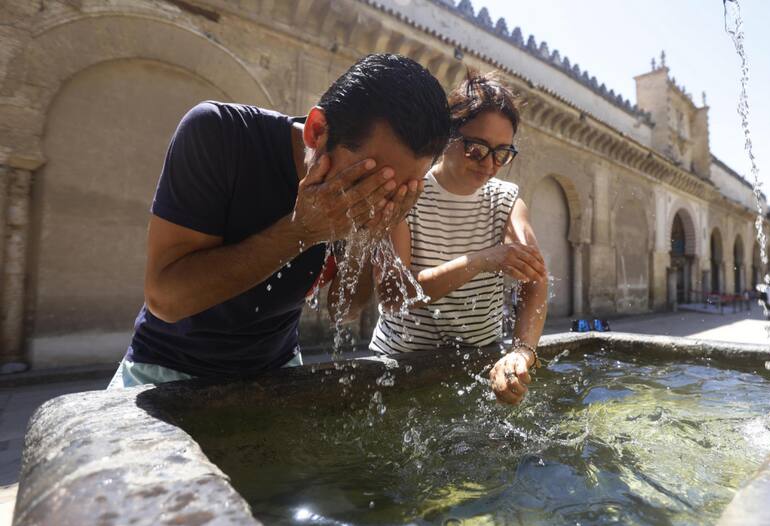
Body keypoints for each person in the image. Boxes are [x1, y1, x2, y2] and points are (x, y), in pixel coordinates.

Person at [107, 54, 451, 388]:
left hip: (278, 372)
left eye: (398, 190)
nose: (376, 199)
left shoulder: (366, 195)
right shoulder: (221, 135)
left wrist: (368, 236)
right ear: (317, 132)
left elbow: (343, 311)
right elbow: (165, 299)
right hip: (166, 370)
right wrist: (301, 230)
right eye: (367, 182)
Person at [370, 71, 548, 405]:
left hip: (478, 364)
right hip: (400, 364)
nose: (490, 165)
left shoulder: (506, 200)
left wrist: (522, 352)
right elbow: (393, 293)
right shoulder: (409, 190)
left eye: (502, 153)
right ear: (447, 134)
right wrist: (482, 259)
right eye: (477, 148)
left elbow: (535, 281)